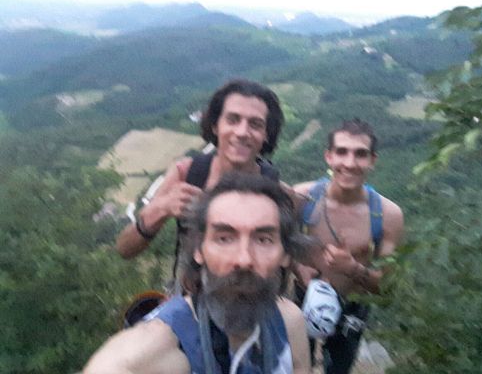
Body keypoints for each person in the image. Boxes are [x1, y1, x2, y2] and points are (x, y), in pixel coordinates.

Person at [83, 173, 311, 374]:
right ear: (199, 251)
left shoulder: (289, 322)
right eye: (224, 238)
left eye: (263, 240)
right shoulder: (163, 348)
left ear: (286, 255)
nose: (244, 259)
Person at [116, 79, 284, 259]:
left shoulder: (274, 189)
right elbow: (125, 249)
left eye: (255, 124)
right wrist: (162, 209)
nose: (242, 132)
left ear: (266, 134)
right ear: (215, 126)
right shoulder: (188, 174)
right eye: (233, 120)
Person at [293, 118, 404, 374]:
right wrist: (297, 266)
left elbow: (386, 287)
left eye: (360, 154)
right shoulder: (303, 198)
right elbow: (275, 244)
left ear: (372, 160)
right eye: (342, 152)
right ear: (329, 156)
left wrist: (352, 268)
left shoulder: (387, 215)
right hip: (301, 298)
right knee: (295, 366)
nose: (350, 163)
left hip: (351, 308)